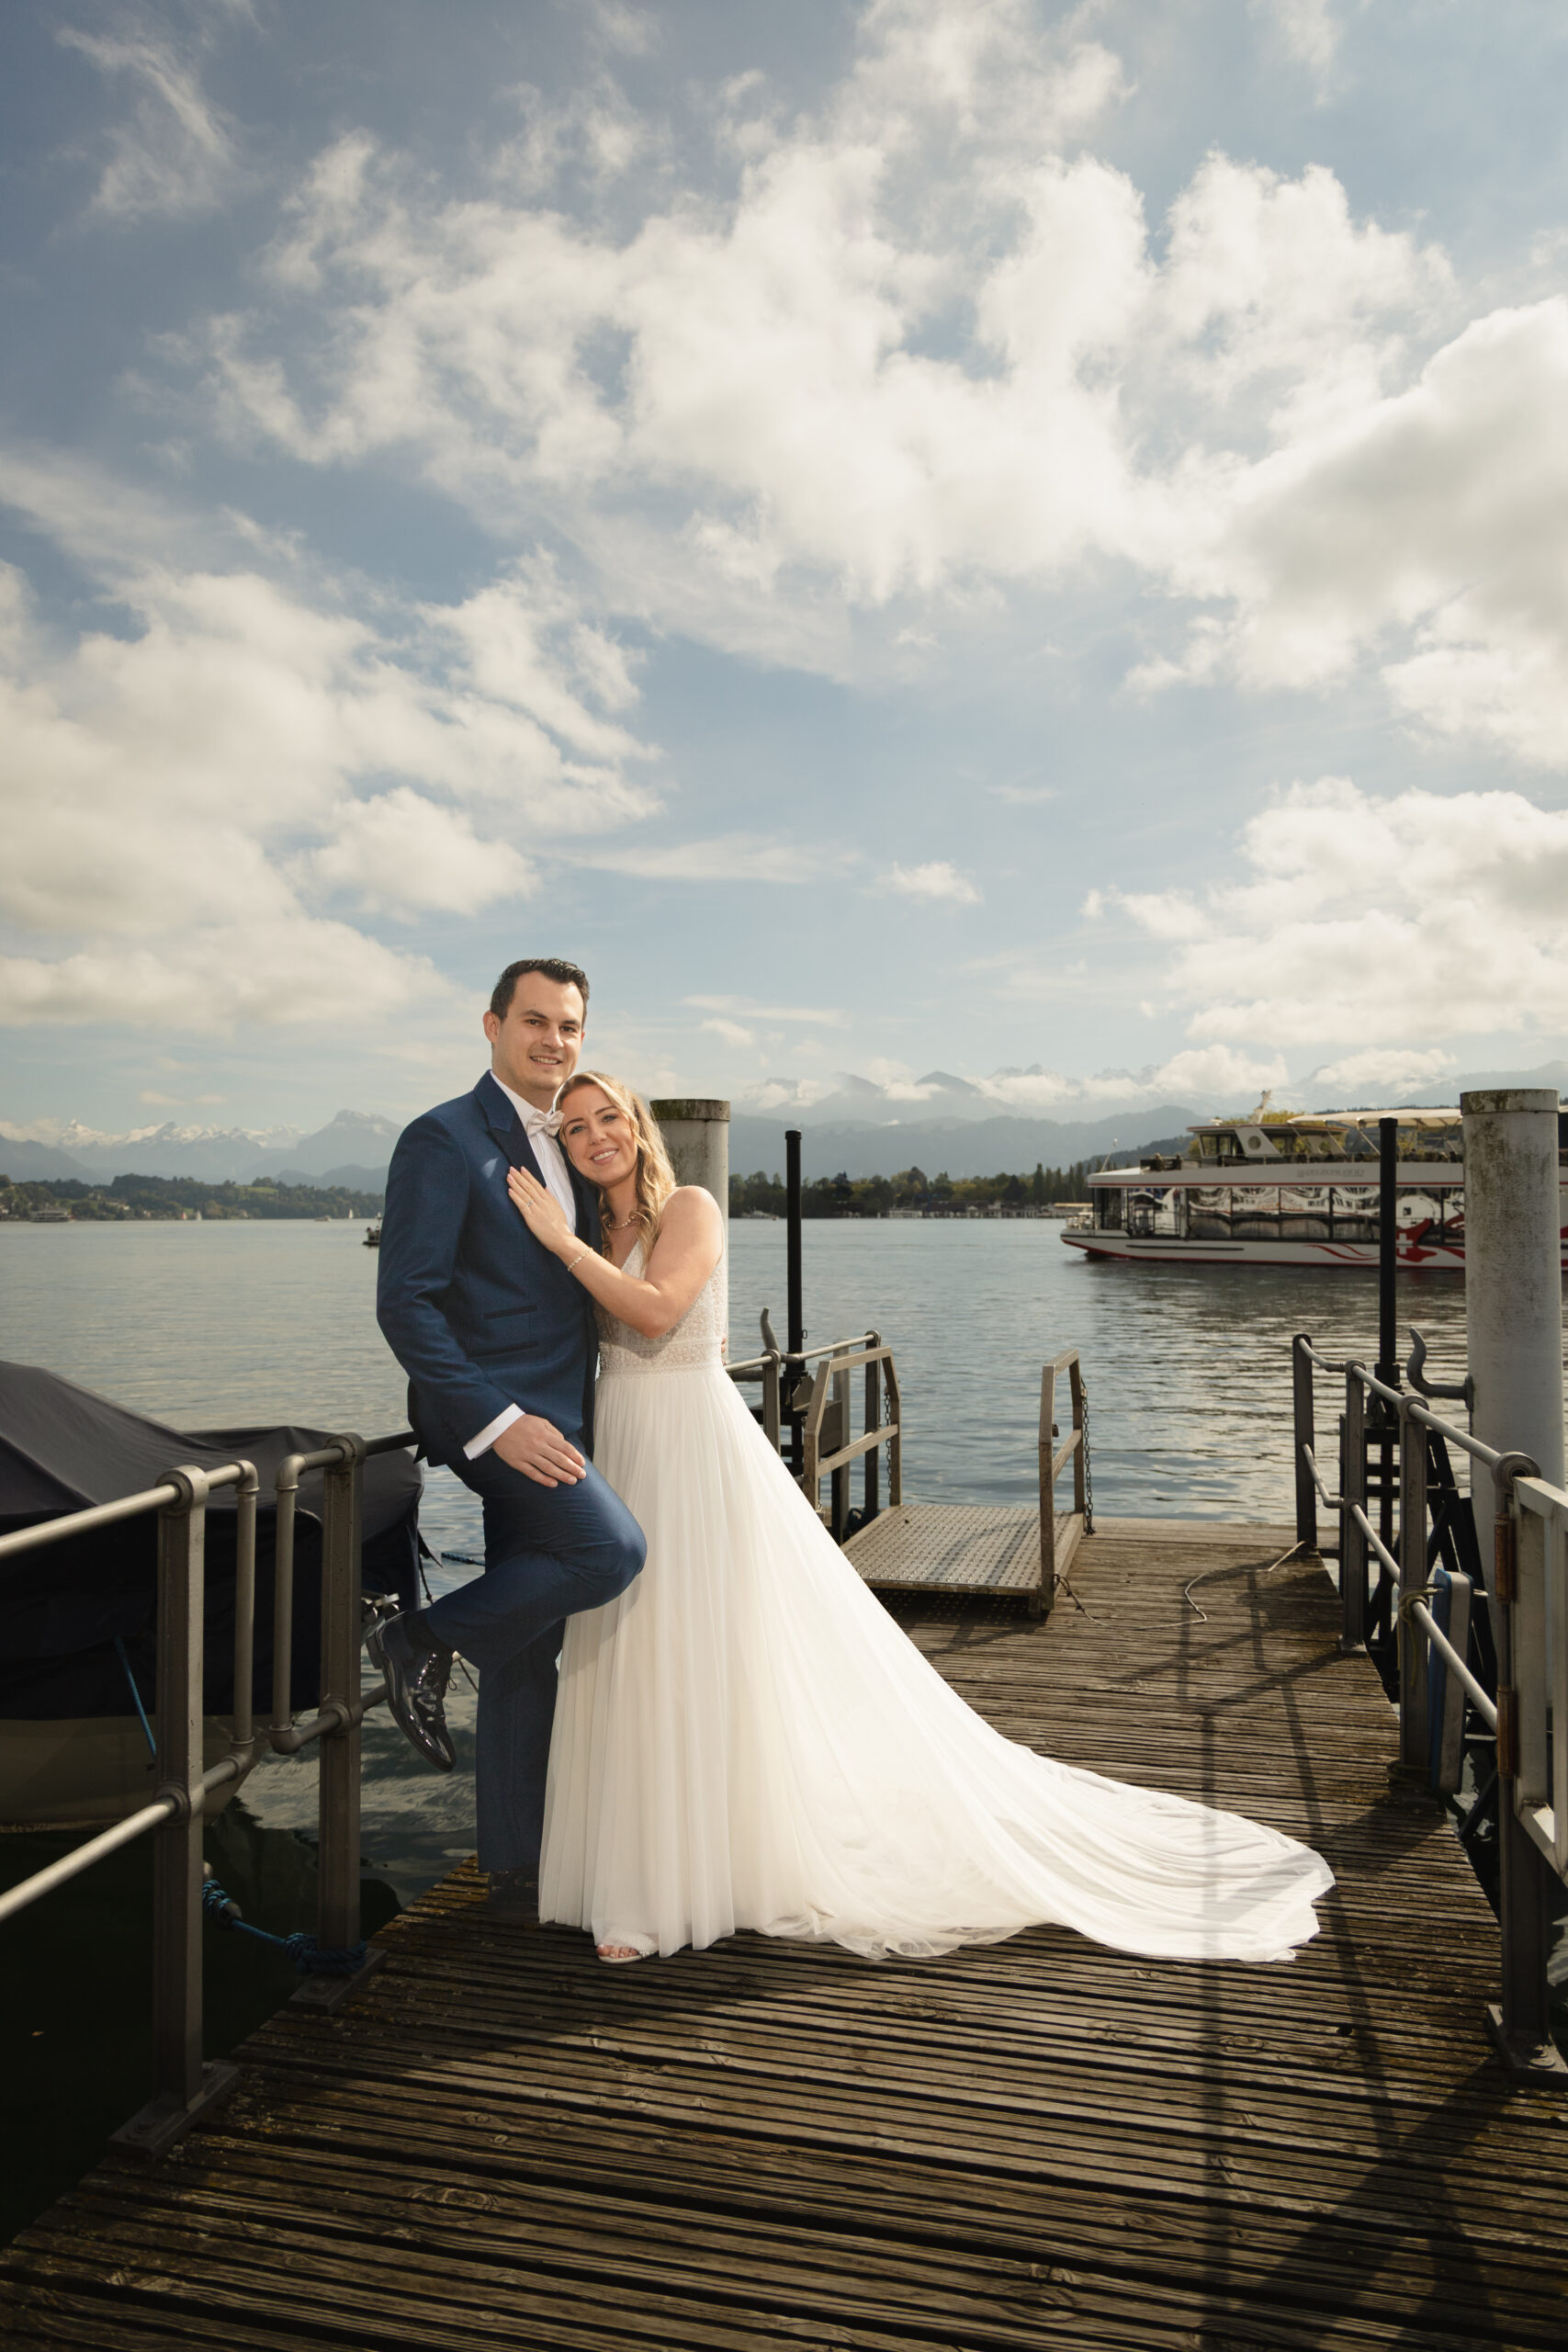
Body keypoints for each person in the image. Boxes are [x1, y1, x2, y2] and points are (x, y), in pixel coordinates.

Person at [507, 1071, 1335, 1967]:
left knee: (696, 1642)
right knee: (629, 1643)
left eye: (609, 1117)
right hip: (621, 1437)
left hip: (690, 1443)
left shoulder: (689, 1209)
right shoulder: (590, 1225)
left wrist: (558, 1242)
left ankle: (693, 1876)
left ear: (638, 1126)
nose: (596, 1135)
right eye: (576, 1126)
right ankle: (636, 1869)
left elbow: (659, 1310)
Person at [373, 962, 645, 1918]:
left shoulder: (573, 1140)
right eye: (534, 1021)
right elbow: (406, 1303)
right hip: (491, 1416)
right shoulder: (443, 1137)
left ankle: (517, 1869)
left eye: (568, 1026)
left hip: (567, 1412)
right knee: (610, 1550)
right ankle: (415, 1638)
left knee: (529, 1640)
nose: (552, 1041)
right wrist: (497, 1420)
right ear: (492, 1026)